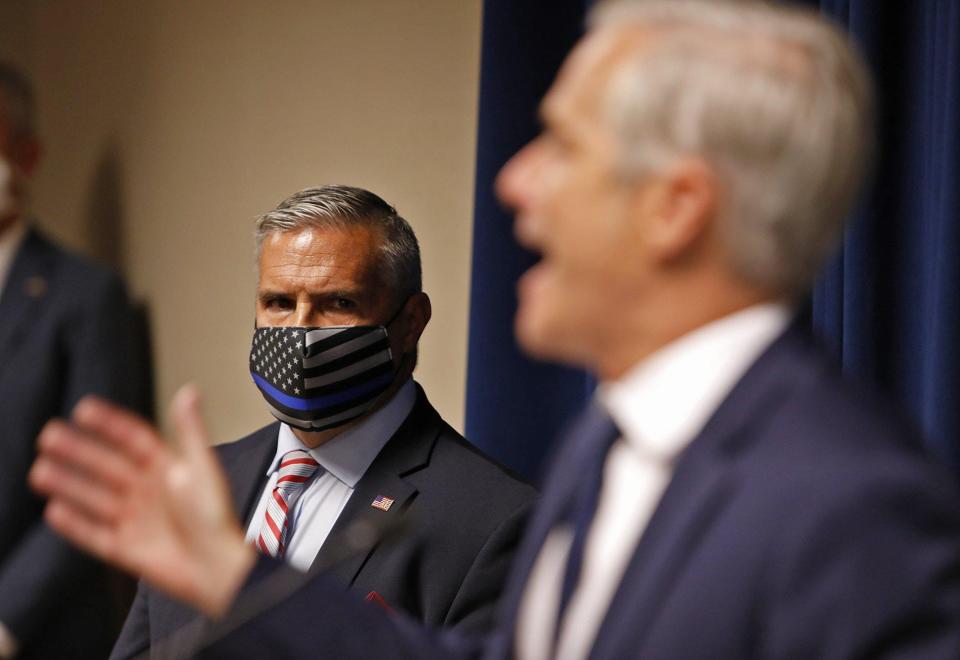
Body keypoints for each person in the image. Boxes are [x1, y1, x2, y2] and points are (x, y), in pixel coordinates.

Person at [29, 1, 960, 658]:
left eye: (564, 144)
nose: (514, 180)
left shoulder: (853, 504)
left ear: (677, 208)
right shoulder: (605, 454)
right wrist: (239, 584)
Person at [106, 185, 537, 659]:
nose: (301, 332)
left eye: (338, 304)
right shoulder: (201, 484)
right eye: (279, 303)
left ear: (410, 321)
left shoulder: (496, 521)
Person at [0, 61, 152, 658]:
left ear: (27, 155)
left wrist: (6, 619)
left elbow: (96, 479)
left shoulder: (86, 296)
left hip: (40, 634)